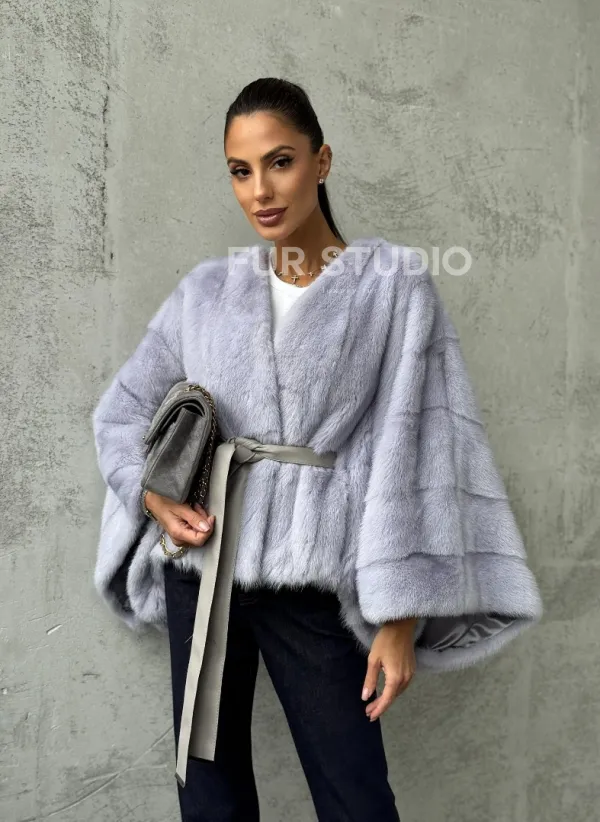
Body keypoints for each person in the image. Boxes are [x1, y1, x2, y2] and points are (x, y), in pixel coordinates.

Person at [91, 78, 543, 822]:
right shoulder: (206, 291)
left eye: (280, 162)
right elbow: (121, 413)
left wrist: (401, 616)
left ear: (321, 161)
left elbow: (422, 447)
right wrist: (153, 495)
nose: (261, 190)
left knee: (355, 797)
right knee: (207, 797)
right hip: (201, 567)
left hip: (315, 579)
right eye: (241, 171)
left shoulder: (393, 287)